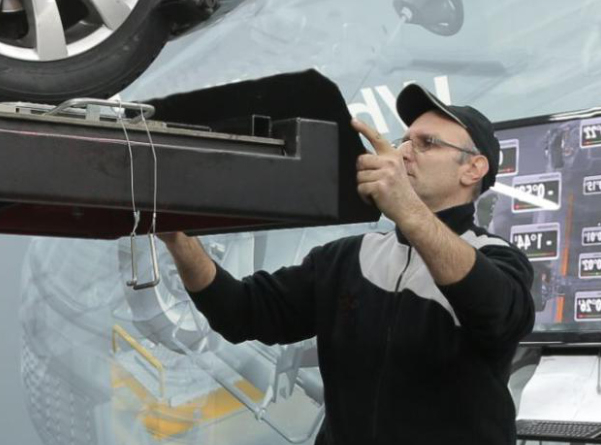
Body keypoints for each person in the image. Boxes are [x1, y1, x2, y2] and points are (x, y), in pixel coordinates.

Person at [156, 84, 533, 444]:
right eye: (404, 140)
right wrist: (178, 239)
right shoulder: (346, 259)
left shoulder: (496, 259)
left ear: (473, 169)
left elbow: (495, 311)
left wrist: (409, 211)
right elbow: (241, 312)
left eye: (427, 144)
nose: (403, 152)